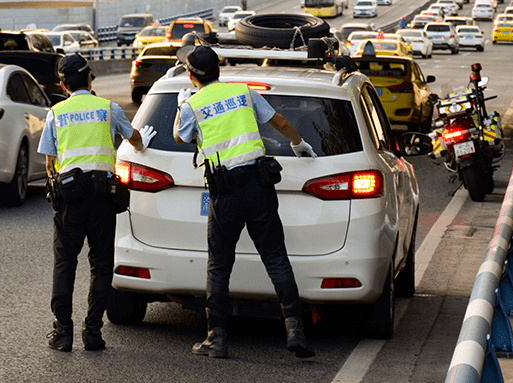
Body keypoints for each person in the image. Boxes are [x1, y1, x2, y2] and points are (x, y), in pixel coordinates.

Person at [172, 44, 317, 359]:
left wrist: (182, 103)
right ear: (218, 69)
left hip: (225, 194)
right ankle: (295, 331)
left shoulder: (191, 105)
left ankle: (217, 338)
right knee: (276, 258)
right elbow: (277, 122)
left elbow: (179, 138)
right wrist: (299, 143)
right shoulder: (244, 92)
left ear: (190, 74)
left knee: (220, 265)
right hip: (260, 186)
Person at [39, 53, 156, 352]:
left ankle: (62, 333)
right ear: (90, 78)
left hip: (69, 199)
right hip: (103, 197)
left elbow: (50, 161)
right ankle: (93, 333)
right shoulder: (109, 109)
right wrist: (145, 143)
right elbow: (135, 140)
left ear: (63, 85)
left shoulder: (56, 113)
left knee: (65, 263)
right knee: (101, 266)